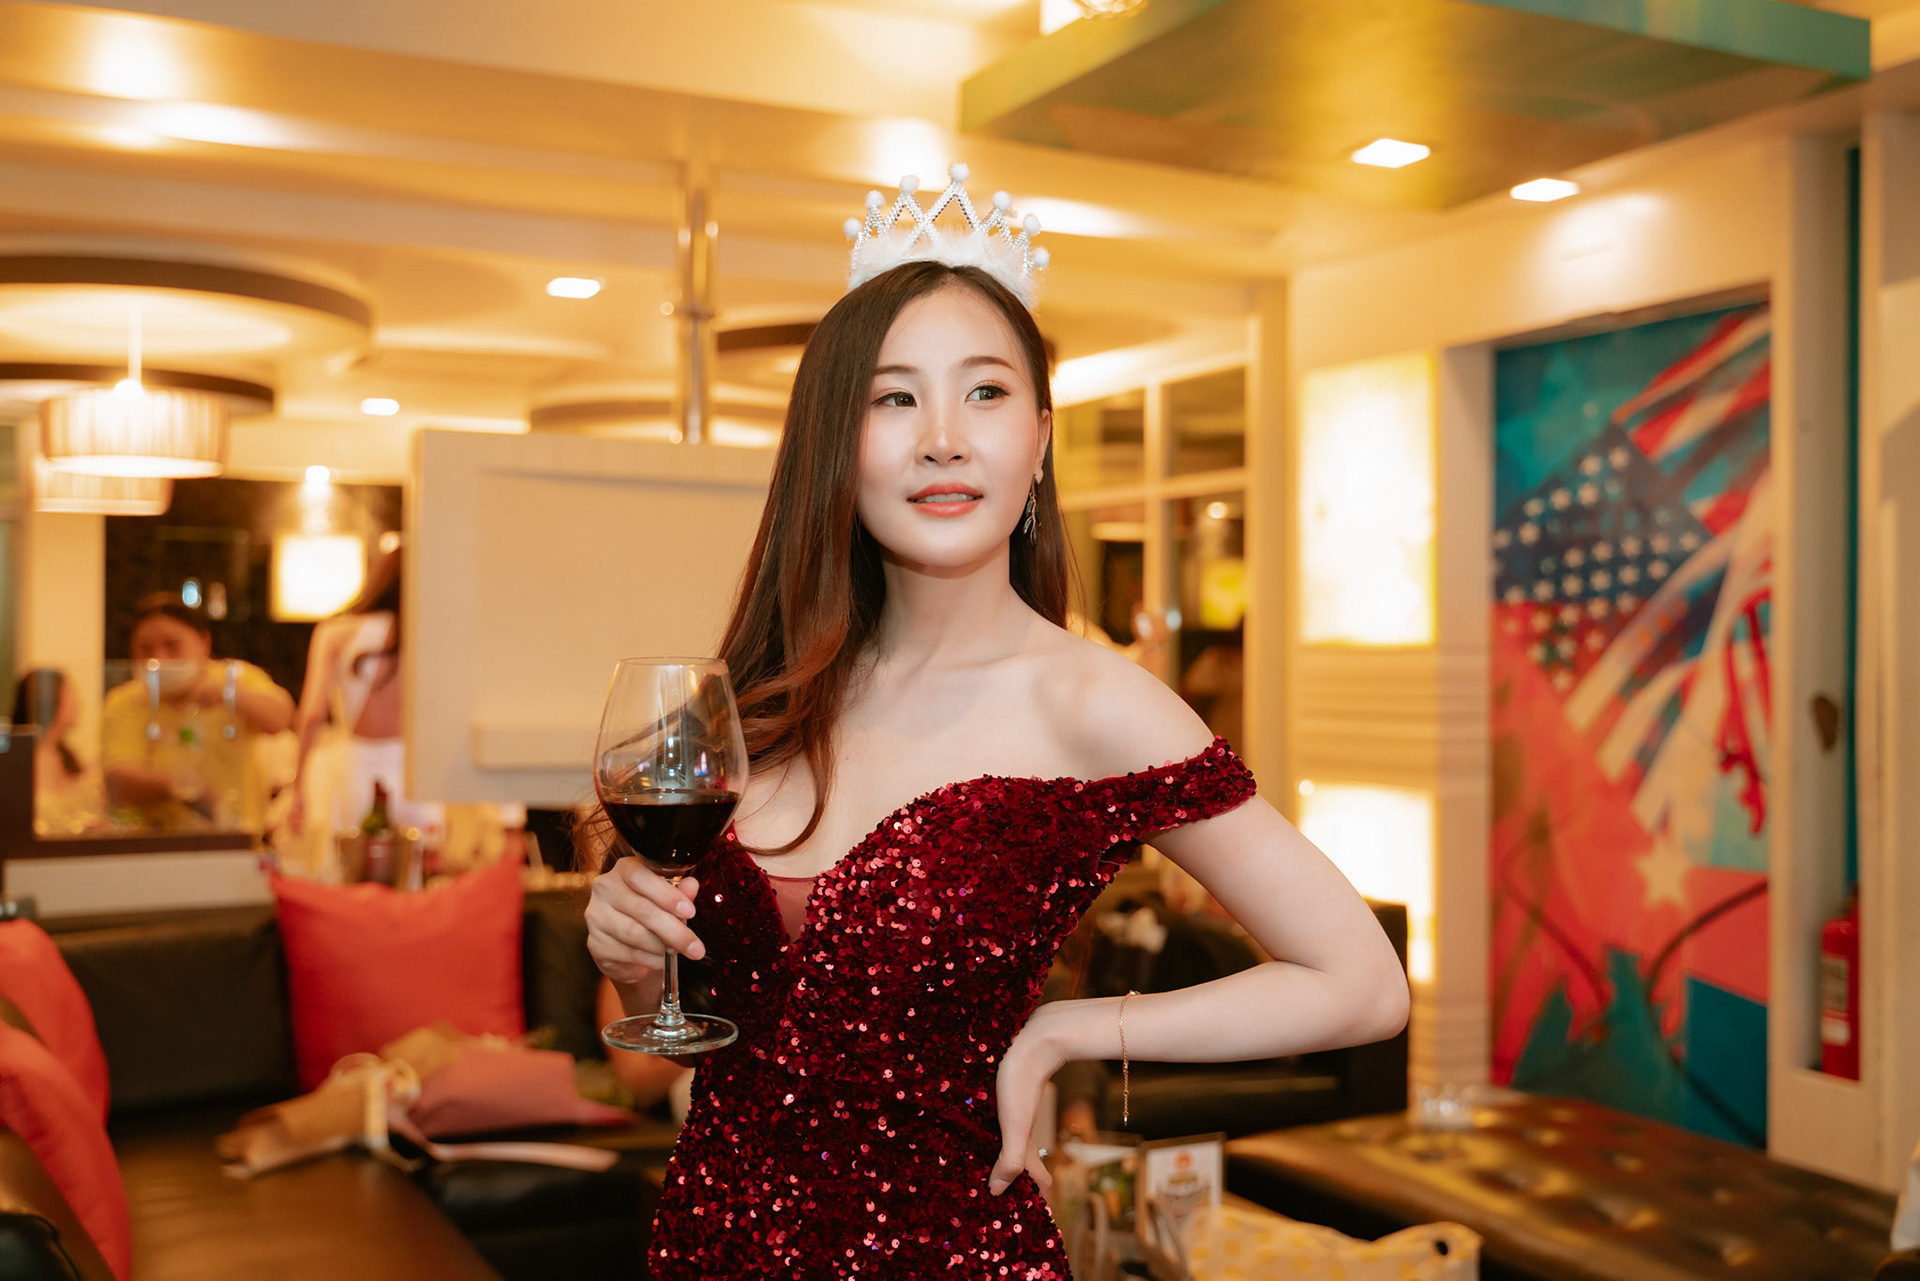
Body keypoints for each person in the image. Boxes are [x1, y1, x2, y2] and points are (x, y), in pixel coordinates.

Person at [584, 171, 1408, 1278]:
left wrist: (1075, 1029)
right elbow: (663, 1061)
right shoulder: (759, 701)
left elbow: (1364, 984)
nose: (943, 439)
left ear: (1040, 439)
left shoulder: (1093, 703)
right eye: (893, 399)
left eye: (984, 392)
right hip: (709, 1244)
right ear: (835, 441)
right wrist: (636, 966)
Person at [284, 548, 446, 857]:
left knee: (354, 870)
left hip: (357, 768)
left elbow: (312, 714)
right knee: (420, 871)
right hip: (417, 769)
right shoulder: (434, 635)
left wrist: (298, 788)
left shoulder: (336, 633)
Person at [100, 592, 295, 831]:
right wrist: (182, 788)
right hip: (155, 840)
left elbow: (280, 717)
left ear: (204, 642)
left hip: (237, 835)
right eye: (145, 649)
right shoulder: (124, 701)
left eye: (172, 646)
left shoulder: (235, 678)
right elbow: (119, 778)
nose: (159, 658)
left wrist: (229, 694)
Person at [10, 668, 105, 835]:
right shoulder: (22, 760)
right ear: (49, 700)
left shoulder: (69, 758)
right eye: (71, 696)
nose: (79, 704)